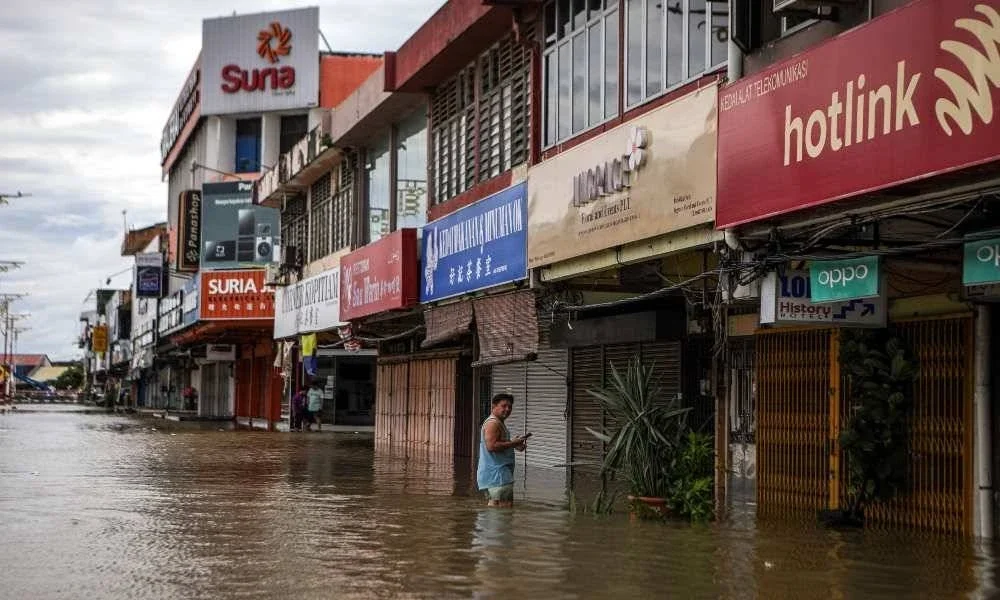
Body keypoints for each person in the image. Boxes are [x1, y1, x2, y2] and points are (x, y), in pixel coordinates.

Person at [477, 393, 528, 508]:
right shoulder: (493, 423)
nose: (507, 409)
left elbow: (498, 444)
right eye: (504, 406)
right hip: (498, 474)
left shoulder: (498, 422)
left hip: (493, 475)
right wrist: (513, 443)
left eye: (510, 407)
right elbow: (492, 446)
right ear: (493, 406)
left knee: (494, 507)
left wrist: (514, 444)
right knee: (505, 508)